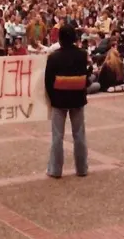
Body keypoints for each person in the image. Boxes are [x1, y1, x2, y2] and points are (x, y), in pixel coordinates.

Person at [44, 25, 89, 178]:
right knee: (79, 135)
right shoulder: (82, 54)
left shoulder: (54, 57)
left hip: (59, 98)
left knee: (57, 136)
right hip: (77, 97)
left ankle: (55, 170)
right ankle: (82, 168)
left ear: (60, 39)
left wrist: (52, 97)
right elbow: (86, 75)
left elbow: (48, 80)